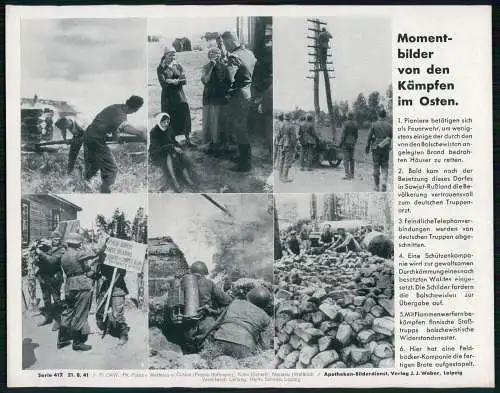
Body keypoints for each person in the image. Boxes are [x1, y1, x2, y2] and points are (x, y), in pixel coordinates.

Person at [83, 95, 145, 193]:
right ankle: (105, 192)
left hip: (88, 137)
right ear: (136, 109)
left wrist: (117, 136)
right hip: (96, 140)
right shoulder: (119, 113)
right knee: (112, 170)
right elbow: (125, 127)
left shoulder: (116, 107)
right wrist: (141, 134)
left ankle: (83, 188)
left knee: (93, 169)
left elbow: (113, 124)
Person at [58, 233, 107, 351]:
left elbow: (82, 269)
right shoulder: (78, 253)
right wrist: (105, 241)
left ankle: (62, 339)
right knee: (81, 313)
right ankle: (77, 342)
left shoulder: (64, 256)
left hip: (69, 285)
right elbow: (96, 251)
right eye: (80, 243)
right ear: (77, 243)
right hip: (81, 286)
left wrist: (94, 275)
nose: (81, 244)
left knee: (68, 312)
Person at [221, 31, 257, 172]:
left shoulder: (233, 56)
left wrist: (227, 93)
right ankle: (243, 157)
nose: (224, 46)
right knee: (242, 128)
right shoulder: (249, 53)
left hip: (238, 95)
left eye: (224, 43)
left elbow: (230, 79)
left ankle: (245, 164)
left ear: (229, 42)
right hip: (248, 92)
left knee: (239, 129)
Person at [183, 261, 232, 353]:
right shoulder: (209, 283)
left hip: (186, 322)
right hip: (205, 320)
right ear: (204, 272)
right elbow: (227, 300)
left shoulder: (183, 282)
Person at [210, 287, 272, 359]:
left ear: (250, 296)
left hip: (221, 339)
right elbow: (264, 343)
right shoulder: (265, 317)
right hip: (244, 345)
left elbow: (217, 323)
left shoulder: (235, 303)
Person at [149, 112, 198, 192]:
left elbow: (173, 141)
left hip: (169, 149)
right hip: (157, 153)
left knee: (179, 154)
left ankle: (187, 178)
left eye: (167, 122)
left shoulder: (169, 129)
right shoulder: (154, 132)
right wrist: (172, 147)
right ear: (159, 121)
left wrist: (178, 147)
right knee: (168, 155)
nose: (166, 124)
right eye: (163, 122)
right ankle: (174, 181)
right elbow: (157, 148)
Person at [157, 47, 193, 147]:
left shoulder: (178, 66)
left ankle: (188, 140)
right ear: (165, 56)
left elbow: (184, 81)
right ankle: (172, 140)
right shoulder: (161, 68)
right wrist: (176, 81)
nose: (172, 57)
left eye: (174, 55)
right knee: (170, 117)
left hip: (179, 94)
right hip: (168, 97)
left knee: (184, 113)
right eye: (170, 55)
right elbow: (163, 83)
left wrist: (172, 81)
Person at [95, 245, 130, 345]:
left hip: (118, 287)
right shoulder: (102, 256)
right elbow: (99, 270)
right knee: (100, 309)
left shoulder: (120, 258)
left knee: (118, 314)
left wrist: (119, 269)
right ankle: (105, 328)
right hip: (106, 286)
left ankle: (123, 334)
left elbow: (123, 273)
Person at [200, 47, 232, 155]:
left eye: (218, 53)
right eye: (214, 53)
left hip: (220, 98)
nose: (217, 55)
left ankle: (222, 144)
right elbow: (205, 80)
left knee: (220, 121)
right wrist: (212, 66)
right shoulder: (206, 67)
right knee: (210, 121)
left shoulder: (224, 67)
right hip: (209, 97)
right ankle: (212, 144)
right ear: (209, 56)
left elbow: (229, 82)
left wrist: (226, 93)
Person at [34, 231, 65, 330]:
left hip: (55, 276)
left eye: (58, 240)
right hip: (44, 276)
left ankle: (58, 320)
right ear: (51, 239)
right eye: (55, 239)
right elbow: (37, 258)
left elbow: (52, 261)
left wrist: (40, 252)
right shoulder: (45, 247)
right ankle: (47, 318)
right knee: (46, 298)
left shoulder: (61, 249)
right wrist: (36, 248)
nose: (57, 241)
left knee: (56, 299)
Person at [365, 109, 392, 192]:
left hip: (376, 147)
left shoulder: (374, 124)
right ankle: (384, 183)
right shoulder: (389, 125)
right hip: (385, 148)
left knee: (376, 166)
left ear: (378, 116)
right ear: (385, 116)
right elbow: (391, 137)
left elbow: (369, 137)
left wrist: (367, 147)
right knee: (385, 166)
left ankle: (376, 186)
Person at [275, 113, 298, 182]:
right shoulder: (291, 126)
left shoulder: (280, 124)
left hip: (281, 144)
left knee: (281, 160)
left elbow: (278, 136)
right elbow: (293, 138)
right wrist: (294, 146)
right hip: (288, 144)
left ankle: (280, 176)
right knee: (287, 160)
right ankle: (285, 177)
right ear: (290, 118)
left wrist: (279, 142)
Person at [339, 112, 358, 180]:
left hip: (345, 143)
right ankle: (352, 174)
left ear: (347, 116)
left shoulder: (345, 123)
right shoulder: (355, 124)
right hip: (352, 143)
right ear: (352, 116)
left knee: (346, 159)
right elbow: (356, 136)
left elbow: (343, 135)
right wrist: (354, 141)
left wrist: (340, 143)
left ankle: (347, 174)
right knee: (352, 159)